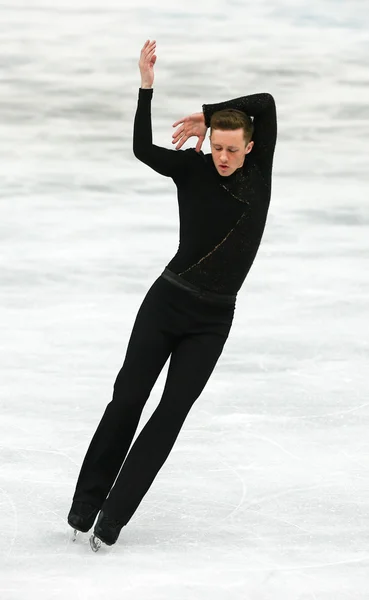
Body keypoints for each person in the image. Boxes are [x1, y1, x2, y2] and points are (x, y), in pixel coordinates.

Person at [67, 39, 277, 549]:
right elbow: (142, 149)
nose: (223, 157)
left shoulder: (258, 175)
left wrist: (208, 115)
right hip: (166, 303)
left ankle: (112, 519)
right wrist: (146, 89)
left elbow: (266, 103)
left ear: (249, 147)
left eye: (232, 148)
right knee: (127, 400)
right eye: (218, 148)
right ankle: (83, 508)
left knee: (170, 413)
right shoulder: (192, 169)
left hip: (212, 321)